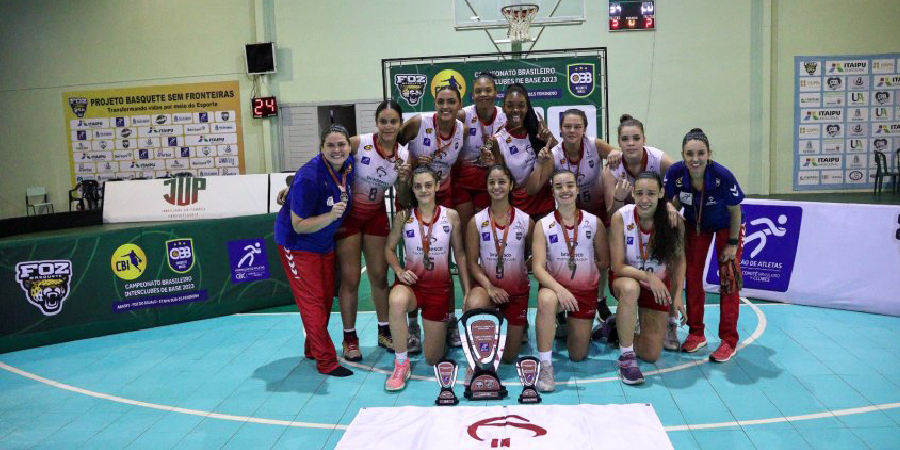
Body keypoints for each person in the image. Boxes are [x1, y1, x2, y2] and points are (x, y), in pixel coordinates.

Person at [273, 125, 356, 377]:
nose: (337, 150)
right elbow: (298, 225)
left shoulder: (349, 166)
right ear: (321, 148)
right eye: (330, 145)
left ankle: (312, 348)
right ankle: (326, 361)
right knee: (312, 304)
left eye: (341, 144)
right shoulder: (309, 177)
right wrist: (330, 216)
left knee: (323, 300)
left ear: (349, 146)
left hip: (324, 243)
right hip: (297, 244)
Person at [333, 100, 412, 361]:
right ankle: (349, 337)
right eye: (383, 121)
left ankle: (384, 330)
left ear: (400, 124)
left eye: (393, 122)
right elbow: (325, 160)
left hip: (376, 216)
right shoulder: (359, 143)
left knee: (379, 277)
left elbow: (402, 196)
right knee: (351, 279)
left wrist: (403, 179)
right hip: (350, 217)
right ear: (376, 123)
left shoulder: (403, 156)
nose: (388, 126)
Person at [383, 165, 471, 391]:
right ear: (412, 189)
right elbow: (389, 249)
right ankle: (401, 363)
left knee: (433, 358)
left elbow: (459, 254)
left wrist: (467, 291)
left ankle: (442, 329)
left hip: (439, 290)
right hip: (412, 286)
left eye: (428, 185)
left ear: (437, 186)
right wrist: (399, 271)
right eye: (418, 186)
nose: (424, 190)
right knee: (396, 300)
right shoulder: (404, 217)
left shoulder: (450, 216)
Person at [665, 128, 745, 362]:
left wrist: (732, 243)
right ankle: (696, 332)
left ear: (709, 153)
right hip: (695, 226)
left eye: (701, 153)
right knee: (691, 275)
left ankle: (729, 340)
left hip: (725, 226)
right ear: (682, 154)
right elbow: (671, 201)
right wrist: (670, 207)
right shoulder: (676, 173)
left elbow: (736, 211)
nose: (695, 159)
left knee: (728, 279)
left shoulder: (723, 176)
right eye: (690, 154)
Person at [397, 86, 468, 351]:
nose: (446, 106)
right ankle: (412, 326)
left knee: (444, 262)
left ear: (460, 104)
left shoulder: (461, 128)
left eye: (451, 101)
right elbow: (394, 146)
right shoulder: (419, 123)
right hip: (413, 194)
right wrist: (412, 162)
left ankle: (450, 322)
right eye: (441, 101)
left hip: (442, 196)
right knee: (414, 260)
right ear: (434, 103)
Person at [600, 113, 678, 349]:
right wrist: (619, 199)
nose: (631, 143)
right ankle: (625, 320)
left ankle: (671, 319)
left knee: (670, 258)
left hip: (656, 221)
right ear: (618, 142)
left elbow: (679, 177)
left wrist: (671, 204)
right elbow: (610, 212)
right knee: (627, 272)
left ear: (644, 139)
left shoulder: (658, 159)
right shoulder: (611, 170)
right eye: (625, 139)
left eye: (636, 138)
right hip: (628, 225)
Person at [536, 109, 621, 325]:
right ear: (561, 129)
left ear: (584, 129)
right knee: (567, 255)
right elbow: (537, 182)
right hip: (569, 212)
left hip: (598, 209)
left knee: (601, 259)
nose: (572, 130)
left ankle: (600, 300)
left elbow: (619, 153)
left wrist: (616, 152)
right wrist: (541, 162)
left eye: (577, 126)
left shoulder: (595, 145)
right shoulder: (555, 152)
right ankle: (560, 302)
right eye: (567, 126)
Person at [600, 171, 686, 385]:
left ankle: (614, 329)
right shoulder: (622, 217)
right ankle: (627, 358)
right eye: (639, 193)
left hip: (656, 286)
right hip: (627, 279)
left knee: (650, 353)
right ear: (633, 194)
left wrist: (677, 296)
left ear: (661, 193)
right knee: (630, 288)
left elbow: (679, 262)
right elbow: (617, 266)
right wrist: (647, 276)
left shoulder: (673, 221)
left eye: (650, 193)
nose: (644, 199)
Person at [532, 170, 609, 392]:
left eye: (569, 185)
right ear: (553, 191)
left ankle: (566, 327)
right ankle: (546, 365)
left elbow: (604, 262)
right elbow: (537, 267)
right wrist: (560, 289)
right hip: (556, 289)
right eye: (558, 186)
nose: (564, 190)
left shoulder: (594, 223)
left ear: (577, 189)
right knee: (546, 300)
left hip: (584, 292)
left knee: (578, 355)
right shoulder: (543, 225)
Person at [463, 164, 534, 382]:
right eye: (492, 182)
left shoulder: (525, 220)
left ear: (511, 185)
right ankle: (474, 360)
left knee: (507, 357)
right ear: (486, 186)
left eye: (502, 182)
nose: (497, 187)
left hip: (516, 293)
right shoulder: (477, 221)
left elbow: (536, 257)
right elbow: (472, 262)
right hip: (488, 290)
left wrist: (524, 268)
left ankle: (514, 328)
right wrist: (490, 287)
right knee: (475, 302)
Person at [485, 83, 556, 220]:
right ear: (504, 109)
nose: (515, 110)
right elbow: (502, 177)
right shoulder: (497, 140)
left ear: (527, 107)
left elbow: (559, 155)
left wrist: (551, 140)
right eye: (510, 105)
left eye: (521, 105)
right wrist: (490, 164)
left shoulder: (537, 130)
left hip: (544, 204)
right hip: (518, 207)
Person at [453, 72, 506, 248]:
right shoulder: (463, 115)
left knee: (485, 231)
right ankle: (469, 272)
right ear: (473, 95)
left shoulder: (504, 117)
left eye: (487, 90)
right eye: (478, 91)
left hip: (489, 180)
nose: (483, 94)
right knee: (466, 230)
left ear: (496, 93)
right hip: (463, 180)